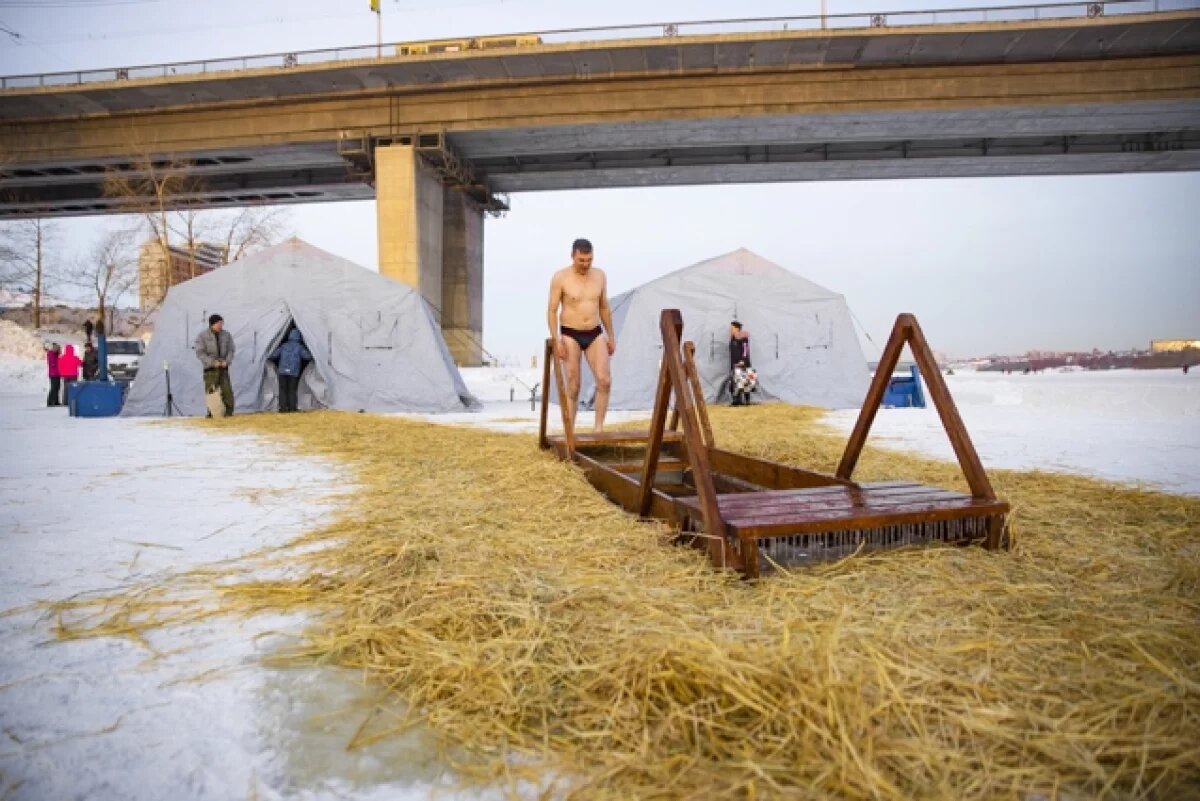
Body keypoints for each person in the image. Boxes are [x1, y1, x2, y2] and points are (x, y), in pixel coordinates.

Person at [547, 238, 615, 433]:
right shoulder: (560, 277)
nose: (585, 264)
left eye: (589, 260)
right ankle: (570, 431)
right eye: (581, 260)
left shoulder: (600, 276)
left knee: (605, 381)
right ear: (573, 256)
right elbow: (551, 310)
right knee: (574, 385)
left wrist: (611, 336)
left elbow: (604, 307)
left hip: (594, 332)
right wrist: (556, 339)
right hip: (570, 333)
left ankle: (598, 429)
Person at [194, 313, 235, 417]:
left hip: (223, 367)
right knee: (212, 392)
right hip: (210, 370)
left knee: (227, 392)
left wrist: (227, 361)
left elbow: (231, 350)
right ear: (212, 324)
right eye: (219, 323)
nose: (221, 325)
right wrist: (212, 362)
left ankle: (229, 413)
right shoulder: (202, 336)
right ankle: (213, 414)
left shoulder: (226, 335)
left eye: (222, 323)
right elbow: (200, 353)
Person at [268, 327, 312, 413]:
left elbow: (273, 355)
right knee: (292, 390)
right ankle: (292, 408)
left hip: (282, 371)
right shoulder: (299, 347)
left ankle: (283, 408)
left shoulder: (284, 346)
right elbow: (307, 356)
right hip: (294, 372)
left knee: (282, 389)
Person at [729, 321, 754, 406]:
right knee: (735, 382)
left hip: (743, 363)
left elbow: (745, 349)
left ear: (737, 328)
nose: (730, 329)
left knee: (746, 382)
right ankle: (736, 401)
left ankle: (747, 401)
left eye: (732, 328)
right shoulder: (732, 338)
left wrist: (743, 360)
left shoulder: (743, 337)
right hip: (735, 364)